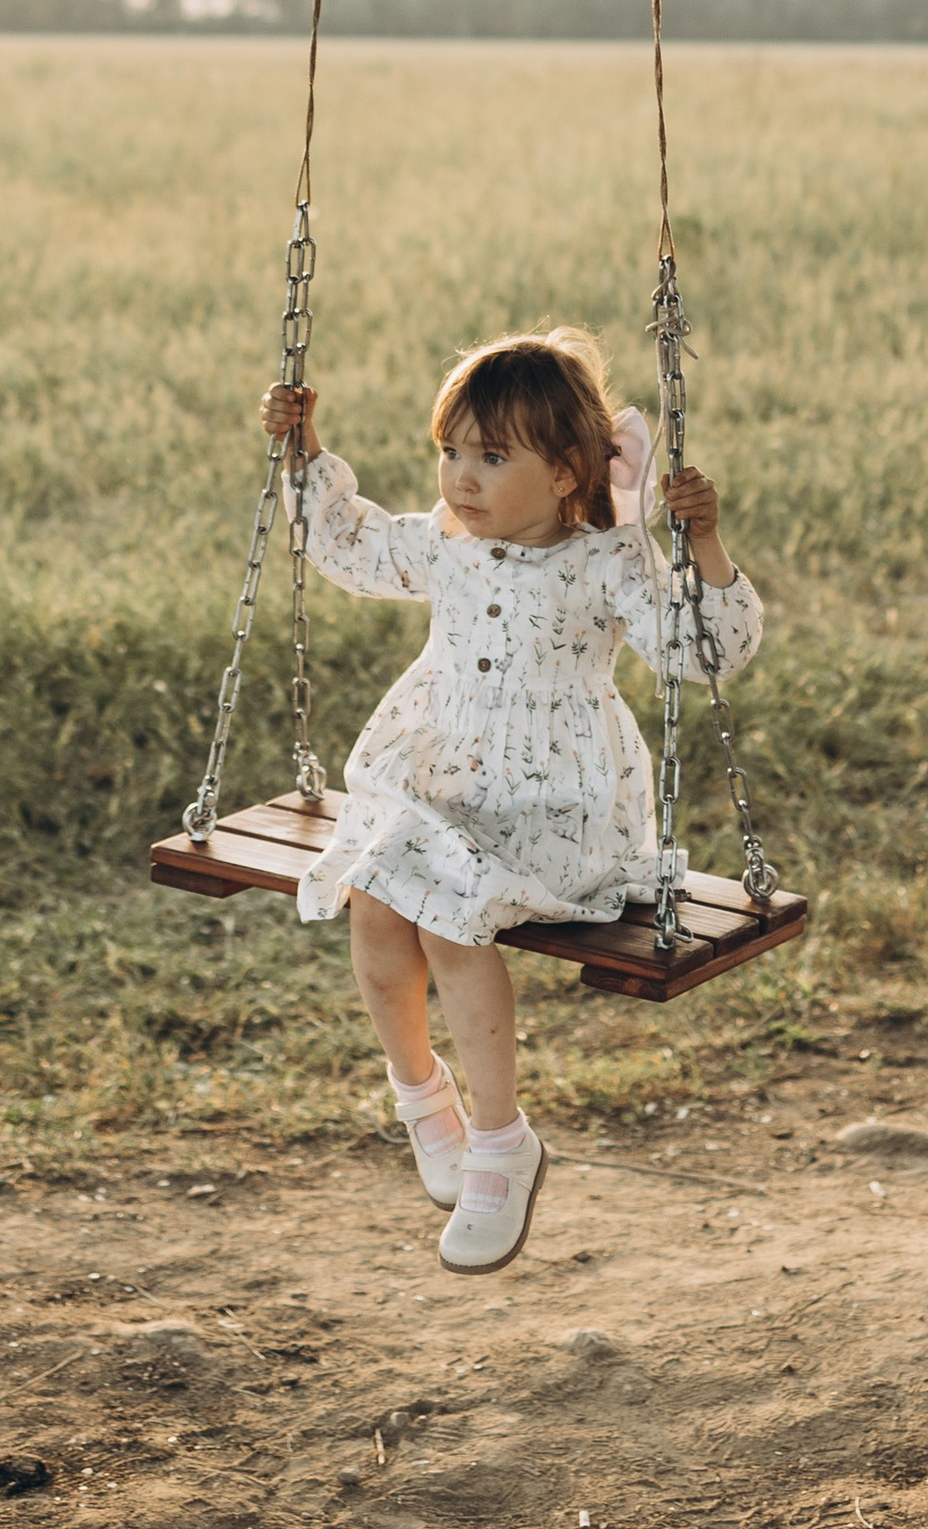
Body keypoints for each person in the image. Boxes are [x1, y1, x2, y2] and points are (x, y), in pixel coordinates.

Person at [260, 326, 761, 1272]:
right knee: (376, 900)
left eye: (493, 457)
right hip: (441, 786)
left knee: (450, 918)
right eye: (451, 450)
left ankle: (501, 1140)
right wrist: (303, 447)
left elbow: (707, 651)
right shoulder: (447, 545)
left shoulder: (608, 562)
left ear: (568, 472)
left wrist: (703, 541)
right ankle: (423, 1096)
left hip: (557, 809)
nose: (461, 477)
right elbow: (350, 543)